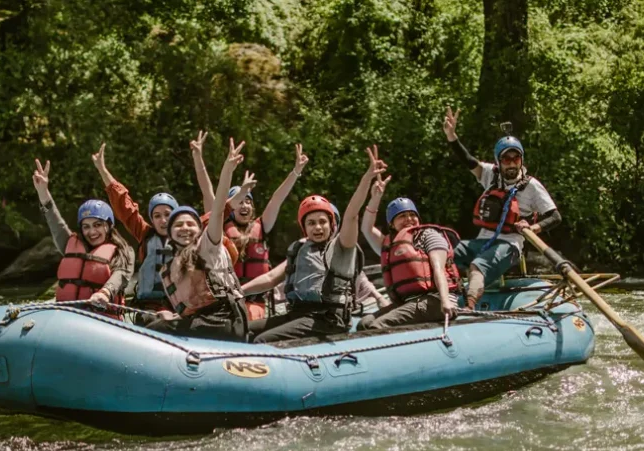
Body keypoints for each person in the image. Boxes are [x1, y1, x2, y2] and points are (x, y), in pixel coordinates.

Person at [241, 147, 386, 343]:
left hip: (327, 319)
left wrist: (367, 177)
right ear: (304, 228)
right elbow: (270, 278)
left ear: (331, 224)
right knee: (243, 330)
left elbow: (352, 213)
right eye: (311, 223)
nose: (317, 227)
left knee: (262, 340)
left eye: (322, 222)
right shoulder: (300, 249)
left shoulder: (342, 247)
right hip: (298, 314)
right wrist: (238, 291)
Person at [443, 107, 562, 308]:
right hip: (482, 241)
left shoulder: (531, 186)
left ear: (521, 160)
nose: (511, 164)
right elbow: (468, 161)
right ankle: (438, 296)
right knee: (446, 254)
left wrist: (533, 228)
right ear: (499, 161)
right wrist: (452, 137)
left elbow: (555, 216)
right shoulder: (491, 174)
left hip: (509, 246)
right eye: (506, 159)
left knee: (477, 267)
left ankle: (468, 309)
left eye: (516, 158)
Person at [190, 131, 310, 320]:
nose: (244, 205)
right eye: (239, 201)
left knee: (246, 317)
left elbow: (277, 199)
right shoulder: (219, 225)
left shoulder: (262, 225)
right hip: (225, 298)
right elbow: (207, 191)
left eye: (248, 201)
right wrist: (198, 158)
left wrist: (296, 171)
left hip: (254, 301)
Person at [143, 139, 249, 341]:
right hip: (204, 321)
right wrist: (174, 315)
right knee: (157, 324)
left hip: (225, 319)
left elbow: (217, 210)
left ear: (199, 230)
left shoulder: (208, 244)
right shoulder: (172, 264)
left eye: (190, 224)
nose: (184, 229)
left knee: (155, 332)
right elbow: (192, 309)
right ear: (171, 233)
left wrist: (228, 169)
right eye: (178, 225)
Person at [358, 160, 462, 329]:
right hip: (410, 303)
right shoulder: (391, 245)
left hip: (435, 300)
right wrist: (375, 198)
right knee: (364, 323)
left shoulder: (428, 235)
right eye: (402, 216)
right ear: (392, 224)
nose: (409, 220)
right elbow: (366, 228)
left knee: (377, 326)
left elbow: (438, 269)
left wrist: (444, 301)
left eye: (411, 215)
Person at [32, 158, 134, 317]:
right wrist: (43, 192)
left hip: (104, 320)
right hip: (68, 317)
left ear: (108, 225)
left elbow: (120, 276)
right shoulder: (70, 243)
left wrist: (105, 293)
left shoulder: (123, 251)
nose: (92, 231)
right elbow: (55, 222)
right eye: (86, 226)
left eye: (97, 225)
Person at [89, 142, 178, 312]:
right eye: (157, 216)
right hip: (147, 307)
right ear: (151, 219)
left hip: (175, 308)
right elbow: (124, 206)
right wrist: (102, 169)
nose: (163, 220)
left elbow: (215, 217)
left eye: (168, 214)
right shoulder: (145, 234)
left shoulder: (189, 237)